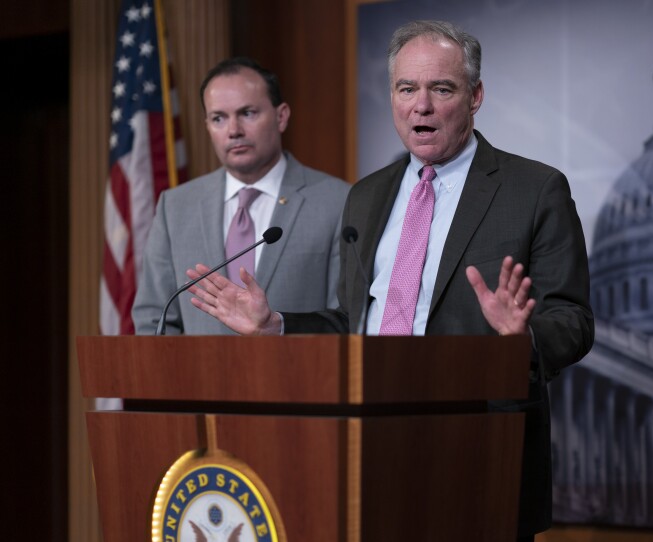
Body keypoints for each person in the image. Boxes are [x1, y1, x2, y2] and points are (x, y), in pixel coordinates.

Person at [186, 21, 593, 540]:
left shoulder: (534, 190)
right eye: (407, 89)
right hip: (368, 447)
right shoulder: (369, 195)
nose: (420, 105)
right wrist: (277, 325)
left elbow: (574, 321)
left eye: (440, 89)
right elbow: (354, 324)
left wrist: (520, 342)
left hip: (478, 453)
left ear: (475, 96)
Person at [132, 57, 350, 335]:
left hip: (297, 376)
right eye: (219, 118)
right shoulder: (175, 207)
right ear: (208, 125)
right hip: (196, 378)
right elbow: (154, 319)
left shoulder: (337, 201)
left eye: (247, 113)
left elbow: (344, 319)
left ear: (281, 116)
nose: (233, 130)